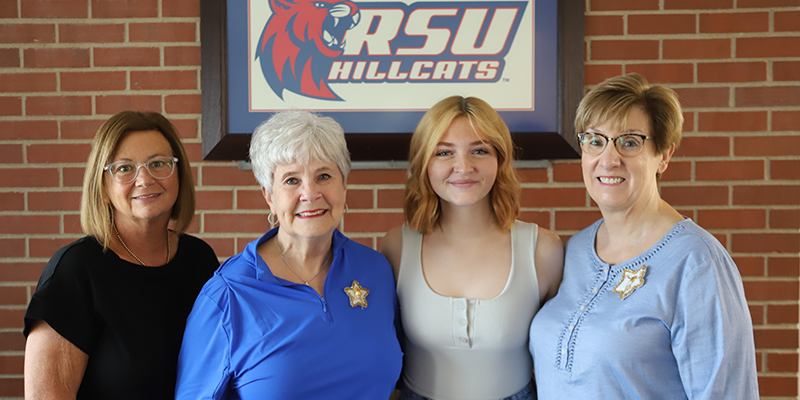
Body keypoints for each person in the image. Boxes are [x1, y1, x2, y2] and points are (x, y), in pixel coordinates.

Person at [529, 73, 759, 399]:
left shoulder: (697, 262)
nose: (608, 159)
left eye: (630, 141)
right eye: (595, 140)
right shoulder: (576, 250)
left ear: (663, 155)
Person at [175, 110, 403, 399]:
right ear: (269, 196)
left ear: (344, 186)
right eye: (292, 180)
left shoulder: (376, 271)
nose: (310, 193)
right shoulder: (227, 296)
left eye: (324, 176)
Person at [23, 111, 220, 399]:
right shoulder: (77, 271)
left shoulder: (200, 259)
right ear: (103, 187)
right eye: (124, 168)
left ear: (178, 175)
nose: (144, 179)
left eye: (158, 164)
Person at [381, 96, 564, 400]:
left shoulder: (543, 250)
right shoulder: (396, 246)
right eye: (444, 152)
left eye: (479, 150)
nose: (463, 167)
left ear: (500, 160)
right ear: (424, 162)